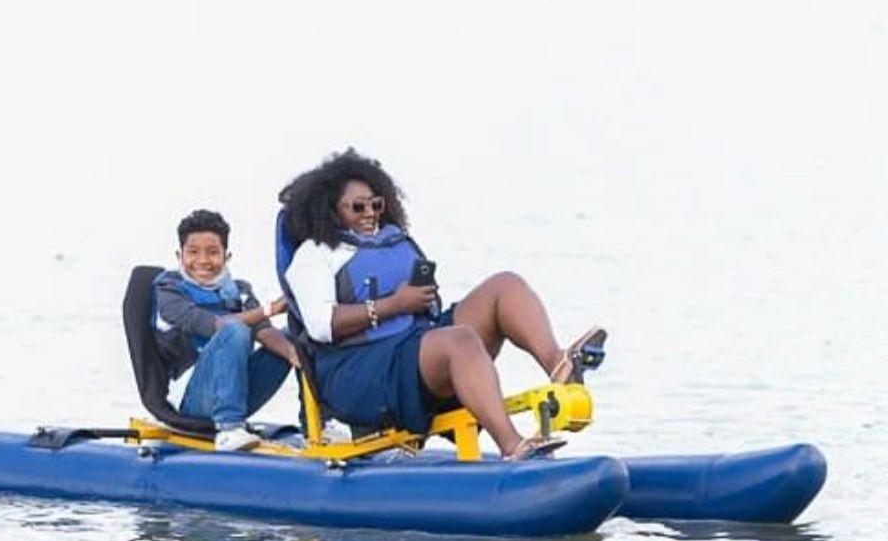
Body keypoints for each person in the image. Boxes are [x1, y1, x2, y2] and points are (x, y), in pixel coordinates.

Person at [279, 150, 601, 460]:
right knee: (459, 341)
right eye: (357, 207)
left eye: (375, 205)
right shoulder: (315, 255)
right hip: (363, 374)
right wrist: (395, 304)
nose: (370, 214)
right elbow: (321, 326)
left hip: (415, 345)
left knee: (505, 286)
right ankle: (513, 446)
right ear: (332, 211)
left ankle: (559, 365)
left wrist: (420, 298)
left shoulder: (390, 238)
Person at [153, 209, 299, 452]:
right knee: (235, 330)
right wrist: (270, 308)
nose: (202, 260)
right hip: (191, 397)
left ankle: (319, 424)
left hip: (236, 389)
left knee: (294, 337)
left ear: (226, 256)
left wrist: (293, 353)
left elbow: (263, 330)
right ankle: (229, 428)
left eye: (212, 252)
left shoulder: (239, 290)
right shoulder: (168, 289)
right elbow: (214, 325)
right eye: (193, 252)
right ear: (180, 255)